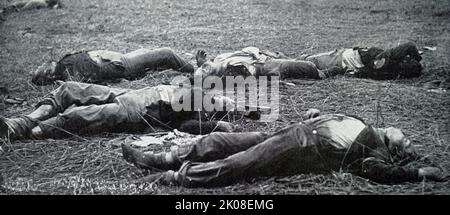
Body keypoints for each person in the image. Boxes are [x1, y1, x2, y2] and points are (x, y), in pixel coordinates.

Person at [121, 108, 448, 187]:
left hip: (301, 150)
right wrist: (319, 114)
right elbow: (335, 124)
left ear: (396, 148)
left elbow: (380, 173)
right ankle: (158, 157)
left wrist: (418, 171)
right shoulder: (366, 124)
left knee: (240, 163)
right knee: (221, 140)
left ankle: (177, 177)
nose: (404, 133)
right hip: (294, 131)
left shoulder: (375, 151)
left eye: (406, 140)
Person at [0, 81, 258, 141]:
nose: (224, 101)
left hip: (141, 110)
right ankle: (22, 121)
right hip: (135, 94)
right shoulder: (199, 92)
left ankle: (24, 129)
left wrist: (222, 121)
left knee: (81, 115)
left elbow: (188, 127)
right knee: (69, 89)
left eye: (225, 105)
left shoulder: (198, 114)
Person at [193, 42, 422, 81]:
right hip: (346, 59)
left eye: (204, 65)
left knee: (307, 62)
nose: (206, 66)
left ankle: (414, 57)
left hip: (352, 56)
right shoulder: (229, 72)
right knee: (309, 65)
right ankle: (414, 62)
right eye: (205, 69)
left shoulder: (221, 59)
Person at [30, 47, 195, 85]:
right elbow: (90, 78)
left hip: (117, 60)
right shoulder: (67, 73)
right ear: (50, 75)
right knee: (166, 53)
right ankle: (197, 70)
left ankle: (184, 69)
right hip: (120, 64)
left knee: (151, 54)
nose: (49, 63)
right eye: (46, 69)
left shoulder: (64, 64)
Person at [299, 42, 423, 80]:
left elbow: (410, 46)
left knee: (307, 61)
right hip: (345, 58)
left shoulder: (389, 61)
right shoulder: (393, 74)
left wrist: (417, 59)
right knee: (308, 61)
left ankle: (288, 59)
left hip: (342, 59)